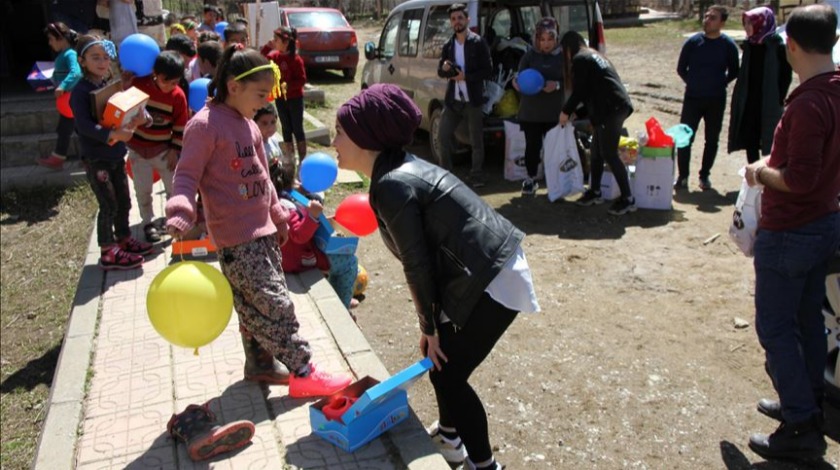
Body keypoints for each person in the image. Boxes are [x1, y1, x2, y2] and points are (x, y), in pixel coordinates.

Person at [334, 84, 540, 469]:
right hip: (480, 268)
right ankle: (449, 438)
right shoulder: (394, 170)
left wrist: (428, 322)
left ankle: (484, 465)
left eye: (341, 132)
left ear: (365, 137)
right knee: (438, 356)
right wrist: (432, 327)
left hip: (492, 273)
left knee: (448, 374)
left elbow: (418, 264)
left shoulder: (392, 183)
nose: (334, 140)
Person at [165, 45, 351, 396]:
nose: (266, 102)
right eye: (261, 94)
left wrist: (279, 216)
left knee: (252, 305)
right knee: (275, 303)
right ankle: (303, 370)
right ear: (233, 86)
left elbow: (263, 178)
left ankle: (260, 364)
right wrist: (180, 210)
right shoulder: (204, 127)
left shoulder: (248, 125)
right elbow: (186, 175)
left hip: (263, 234)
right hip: (235, 239)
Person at [742, 4, 840, 462]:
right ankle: (807, 403)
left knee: (776, 327)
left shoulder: (809, 103)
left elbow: (798, 178)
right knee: (806, 323)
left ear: (792, 46)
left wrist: (761, 173)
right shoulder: (835, 90)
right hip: (823, 224)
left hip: (791, 232)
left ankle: (800, 426)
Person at [70, 35, 153, 270]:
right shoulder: (81, 90)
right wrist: (113, 135)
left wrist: (137, 119)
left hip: (116, 156)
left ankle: (124, 239)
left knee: (124, 201)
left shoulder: (107, 84)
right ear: (81, 60)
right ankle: (107, 251)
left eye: (106, 57)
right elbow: (84, 126)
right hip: (97, 159)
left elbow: (119, 113)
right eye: (95, 57)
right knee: (108, 204)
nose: (102, 62)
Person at [559, 31, 635, 215]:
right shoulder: (594, 55)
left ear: (568, 49)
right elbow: (593, 90)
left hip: (613, 109)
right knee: (596, 151)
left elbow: (579, 91)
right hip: (613, 106)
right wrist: (579, 113)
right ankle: (595, 192)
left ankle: (628, 199)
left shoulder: (580, 59)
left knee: (608, 153)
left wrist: (566, 111)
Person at [125, 51, 188, 242]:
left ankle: (174, 221)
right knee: (142, 188)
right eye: (165, 81)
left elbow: (180, 126)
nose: (169, 87)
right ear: (154, 73)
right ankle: (147, 223)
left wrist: (174, 150)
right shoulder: (139, 85)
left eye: (174, 82)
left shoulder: (178, 97)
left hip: (162, 150)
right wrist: (125, 85)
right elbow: (126, 107)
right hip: (138, 149)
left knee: (173, 187)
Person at [675, 5, 739, 190]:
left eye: (713, 18)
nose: (707, 20)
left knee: (711, 139)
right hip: (693, 98)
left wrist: (720, 83)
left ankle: (704, 176)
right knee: (684, 138)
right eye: (706, 16)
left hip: (716, 99)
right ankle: (683, 177)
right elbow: (681, 68)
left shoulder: (727, 45)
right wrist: (693, 82)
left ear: (722, 23)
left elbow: (735, 70)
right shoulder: (693, 42)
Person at [437, 3, 492, 188]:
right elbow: (440, 71)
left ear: (467, 19)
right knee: (442, 136)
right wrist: (446, 70)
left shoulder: (478, 42)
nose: (457, 22)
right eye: (453, 19)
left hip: (473, 100)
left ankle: (476, 175)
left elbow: (488, 70)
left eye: (460, 18)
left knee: (476, 140)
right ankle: (447, 175)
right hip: (454, 100)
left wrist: (466, 77)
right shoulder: (448, 45)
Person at [728, 7, 793, 165]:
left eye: (751, 23)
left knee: (770, 138)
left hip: (769, 100)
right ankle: (754, 174)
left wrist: (779, 98)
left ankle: (769, 174)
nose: (747, 27)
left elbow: (785, 76)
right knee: (750, 138)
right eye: (746, 23)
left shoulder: (777, 46)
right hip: (749, 99)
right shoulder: (749, 46)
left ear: (761, 24)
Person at [511, 17, 564, 196]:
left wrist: (556, 85)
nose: (546, 43)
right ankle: (531, 179)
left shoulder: (564, 57)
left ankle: (554, 181)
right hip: (531, 113)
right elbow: (518, 76)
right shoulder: (529, 56)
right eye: (542, 39)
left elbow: (573, 83)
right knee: (532, 146)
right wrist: (516, 82)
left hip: (553, 113)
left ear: (556, 39)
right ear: (537, 39)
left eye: (550, 39)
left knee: (553, 148)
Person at [38, 22, 81, 171]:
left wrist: (63, 86)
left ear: (61, 38)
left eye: (51, 39)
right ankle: (59, 158)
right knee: (67, 129)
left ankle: (60, 159)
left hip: (72, 99)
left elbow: (76, 72)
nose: (50, 43)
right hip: (68, 101)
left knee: (72, 129)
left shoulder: (70, 54)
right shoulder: (64, 54)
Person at [265, 26, 308, 165]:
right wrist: (267, 47)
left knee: (297, 128)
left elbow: (301, 80)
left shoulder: (296, 60)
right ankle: (289, 159)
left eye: (276, 39)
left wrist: (288, 86)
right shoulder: (274, 57)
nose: (274, 41)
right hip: (280, 98)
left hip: (295, 99)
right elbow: (261, 60)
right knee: (286, 128)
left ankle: (302, 160)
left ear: (285, 42)